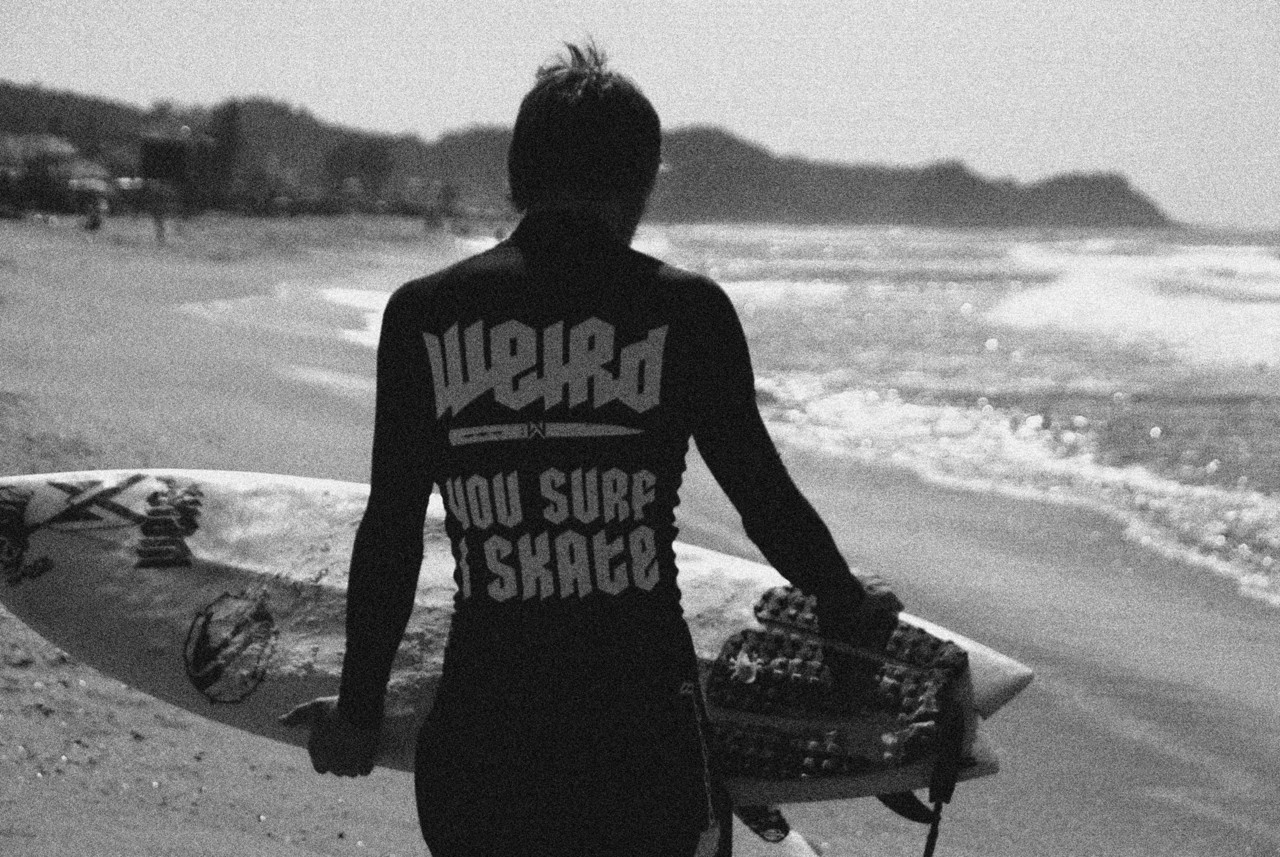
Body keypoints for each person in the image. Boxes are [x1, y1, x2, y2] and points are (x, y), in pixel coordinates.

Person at [283, 43, 902, 857]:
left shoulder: (423, 314)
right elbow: (764, 500)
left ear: (518, 177)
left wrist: (359, 709)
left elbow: (392, 525)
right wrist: (843, 599)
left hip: (484, 743)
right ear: (640, 184)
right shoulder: (686, 310)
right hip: (642, 741)